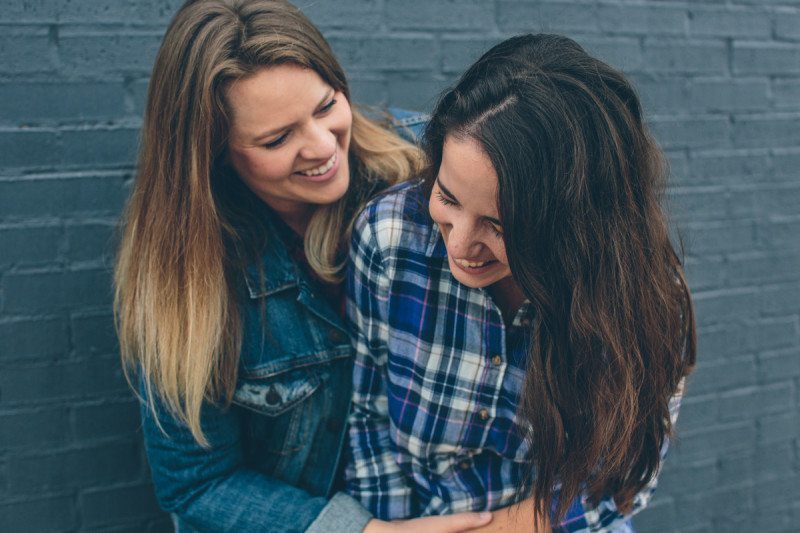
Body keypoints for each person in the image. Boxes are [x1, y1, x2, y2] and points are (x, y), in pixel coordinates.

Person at [114, 1, 494, 531]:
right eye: (276, 139)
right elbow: (195, 481)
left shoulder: (429, 171)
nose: (321, 146)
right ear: (214, 152)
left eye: (325, 106)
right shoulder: (187, 275)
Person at [346, 33, 696, 531]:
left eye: (500, 224)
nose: (461, 246)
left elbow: (622, 475)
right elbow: (368, 419)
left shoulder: (648, 296)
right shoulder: (387, 237)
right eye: (447, 197)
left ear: (577, 226)